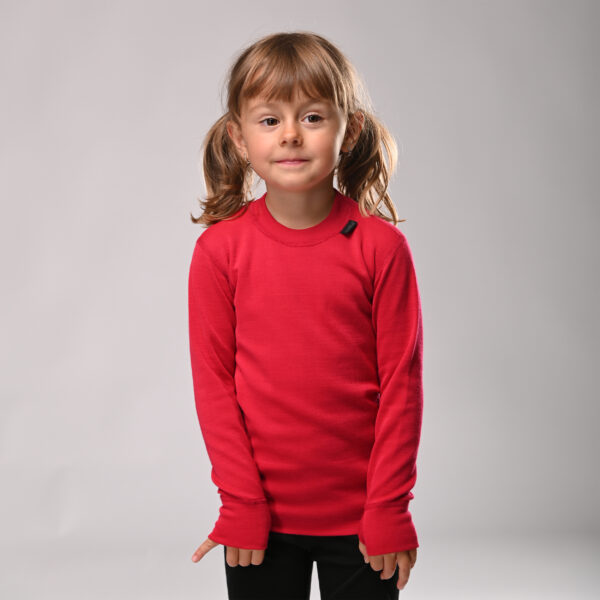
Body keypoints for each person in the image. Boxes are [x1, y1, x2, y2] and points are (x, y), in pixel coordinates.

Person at [187, 31, 424, 600]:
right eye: (270, 120)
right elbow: (214, 385)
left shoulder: (382, 249)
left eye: (313, 117)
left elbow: (402, 386)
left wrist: (389, 508)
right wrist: (240, 502)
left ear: (350, 131)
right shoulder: (220, 251)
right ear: (238, 137)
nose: (291, 134)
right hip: (260, 523)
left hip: (363, 522)